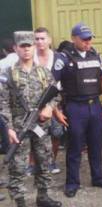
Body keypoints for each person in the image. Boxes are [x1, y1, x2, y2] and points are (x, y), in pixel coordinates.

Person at [0, 31, 62, 207]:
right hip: (20, 127)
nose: (26, 49)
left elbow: (56, 94)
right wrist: (9, 128)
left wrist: (49, 108)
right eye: (22, 46)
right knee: (18, 167)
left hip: (41, 126)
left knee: (45, 161)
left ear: (34, 47)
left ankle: (43, 196)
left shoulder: (43, 71)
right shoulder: (8, 74)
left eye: (29, 46)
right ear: (15, 48)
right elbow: (3, 103)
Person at [52, 23, 102, 198]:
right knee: (75, 146)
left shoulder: (96, 55)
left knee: (96, 143)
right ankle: (72, 183)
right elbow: (53, 85)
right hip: (75, 106)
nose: (88, 42)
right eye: (84, 39)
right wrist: (56, 110)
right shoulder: (63, 58)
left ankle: (98, 177)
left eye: (90, 38)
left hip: (94, 104)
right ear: (74, 38)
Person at [31, 27, 63, 175]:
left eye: (42, 38)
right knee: (35, 132)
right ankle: (32, 163)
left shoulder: (59, 58)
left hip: (56, 102)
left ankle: (51, 161)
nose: (39, 41)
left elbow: (64, 82)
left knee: (56, 133)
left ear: (49, 40)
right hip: (34, 105)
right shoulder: (29, 58)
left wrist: (54, 108)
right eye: (36, 39)